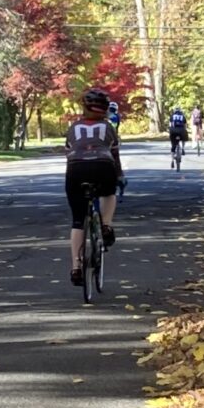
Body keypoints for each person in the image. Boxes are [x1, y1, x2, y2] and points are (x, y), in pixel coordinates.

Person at [65, 86, 123, 283]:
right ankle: (106, 225)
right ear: (105, 109)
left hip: (76, 169)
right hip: (103, 166)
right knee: (109, 192)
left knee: (77, 220)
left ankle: (76, 267)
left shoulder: (73, 128)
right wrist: (120, 176)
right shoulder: (108, 128)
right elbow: (115, 156)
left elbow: (69, 153)